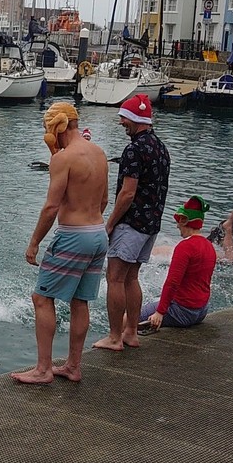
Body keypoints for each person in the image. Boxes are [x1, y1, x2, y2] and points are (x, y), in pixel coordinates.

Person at [12, 103, 109, 385]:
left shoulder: (63, 159)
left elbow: (51, 206)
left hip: (73, 235)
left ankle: (43, 369)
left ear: (57, 128)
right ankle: (73, 366)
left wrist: (34, 243)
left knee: (42, 298)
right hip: (98, 234)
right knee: (80, 301)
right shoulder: (99, 153)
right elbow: (103, 201)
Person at [94, 94, 170, 351]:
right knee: (131, 278)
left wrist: (110, 223)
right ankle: (131, 332)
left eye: (124, 118)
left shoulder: (134, 149)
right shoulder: (161, 147)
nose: (121, 123)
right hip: (151, 224)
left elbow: (127, 192)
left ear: (136, 119)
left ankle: (115, 337)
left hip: (132, 222)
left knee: (114, 277)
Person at [139, 196, 217, 329]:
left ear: (185, 221)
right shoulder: (209, 246)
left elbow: (172, 282)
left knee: (129, 318)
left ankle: (115, 339)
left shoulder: (185, 247)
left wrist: (160, 312)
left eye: (179, 221)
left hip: (183, 311)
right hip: (201, 311)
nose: (177, 225)